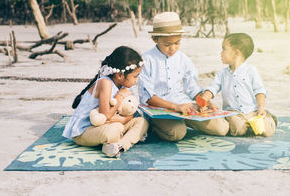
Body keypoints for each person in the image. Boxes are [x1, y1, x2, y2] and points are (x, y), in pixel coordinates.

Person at [138, 12, 229, 141]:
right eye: (167, 44)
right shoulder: (146, 60)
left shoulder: (183, 59)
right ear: (155, 39)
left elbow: (192, 88)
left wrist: (206, 102)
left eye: (177, 43)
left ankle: (184, 121)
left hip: (184, 106)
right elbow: (148, 97)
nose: (173, 48)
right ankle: (154, 124)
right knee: (176, 133)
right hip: (160, 109)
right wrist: (176, 107)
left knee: (221, 128)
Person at [62, 46, 149, 157]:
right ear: (120, 75)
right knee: (112, 132)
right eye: (135, 76)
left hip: (110, 125)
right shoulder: (105, 83)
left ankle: (119, 146)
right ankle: (115, 141)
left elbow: (128, 115)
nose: (137, 80)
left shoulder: (124, 85)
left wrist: (124, 119)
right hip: (85, 131)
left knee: (142, 122)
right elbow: (104, 116)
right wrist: (120, 96)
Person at [200, 33, 277, 137]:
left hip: (252, 111)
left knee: (267, 131)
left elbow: (259, 91)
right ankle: (248, 126)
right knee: (238, 129)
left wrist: (261, 107)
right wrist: (203, 100)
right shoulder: (222, 74)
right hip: (233, 113)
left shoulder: (251, 71)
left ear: (236, 53)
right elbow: (212, 88)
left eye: (224, 49)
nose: (220, 53)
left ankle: (268, 117)